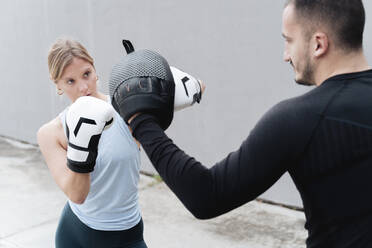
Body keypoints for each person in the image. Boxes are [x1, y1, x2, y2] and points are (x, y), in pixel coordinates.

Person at [111, 0, 372, 247]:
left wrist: (140, 119)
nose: (285, 55)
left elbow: (206, 195)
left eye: (289, 41)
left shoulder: (299, 120)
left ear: (318, 44)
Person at [37, 38, 148, 248]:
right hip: (76, 234)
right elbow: (77, 195)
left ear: (95, 70)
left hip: (127, 235)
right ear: (57, 84)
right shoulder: (51, 133)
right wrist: (82, 142)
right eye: (70, 81)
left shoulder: (126, 110)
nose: (83, 87)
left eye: (86, 74)